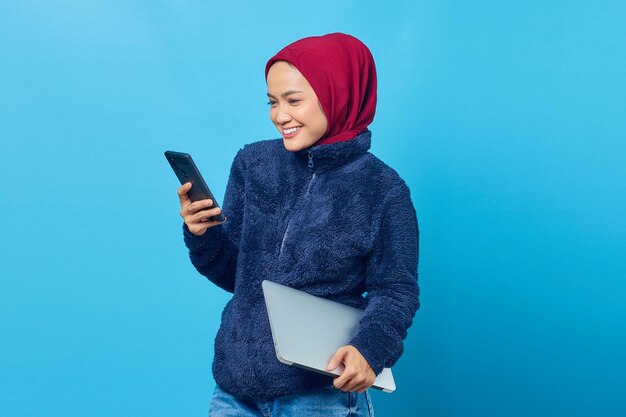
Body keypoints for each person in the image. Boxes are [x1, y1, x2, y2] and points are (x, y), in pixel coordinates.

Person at [176, 32, 420, 416]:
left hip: (320, 393)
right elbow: (234, 276)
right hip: (234, 389)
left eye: (293, 100)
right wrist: (203, 235)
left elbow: (396, 292)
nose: (280, 115)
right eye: (272, 102)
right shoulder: (252, 164)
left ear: (337, 93)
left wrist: (369, 351)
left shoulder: (383, 190)